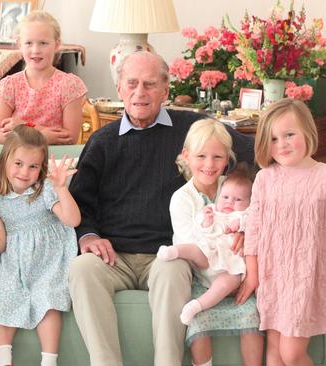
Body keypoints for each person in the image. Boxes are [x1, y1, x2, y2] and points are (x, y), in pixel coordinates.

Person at [67, 51, 257, 366]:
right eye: (132, 83)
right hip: (113, 255)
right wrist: (87, 235)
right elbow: (79, 202)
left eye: (150, 84)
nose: (139, 92)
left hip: (166, 253)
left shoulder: (192, 127)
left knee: (172, 271)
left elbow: (256, 153)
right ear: (119, 89)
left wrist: (251, 224)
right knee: (81, 269)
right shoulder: (102, 142)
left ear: (165, 90)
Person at [242, 98, 326, 365]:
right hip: (273, 277)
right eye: (272, 139)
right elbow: (254, 230)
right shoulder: (265, 179)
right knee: (273, 354)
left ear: (307, 131)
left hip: (308, 279)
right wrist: (253, 273)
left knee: (292, 354)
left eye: (289, 134)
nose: (281, 144)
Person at [0, 125, 79, 366]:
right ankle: (4, 359)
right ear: (5, 162)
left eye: (33, 166)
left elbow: (72, 220)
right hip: (13, 259)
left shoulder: (44, 190)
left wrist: (61, 188)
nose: (25, 172)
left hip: (48, 258)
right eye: (18, 163)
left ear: (41, 168)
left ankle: (49, 361)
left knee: (48, 298)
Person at [168, 120, 263, 366]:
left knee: (251, 315)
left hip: (236, 271)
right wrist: (215, 228)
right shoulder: (182, 199)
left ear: (226, 159)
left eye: (217, 157)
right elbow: (192, 247)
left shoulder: (232, 187)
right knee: (197, 323)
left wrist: (244, 232)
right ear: (186, 157)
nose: (209, 165)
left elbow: (254, 214)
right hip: (203, 276)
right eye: (201, 156)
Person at [163, 160, 253, 324]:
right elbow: (200, 232)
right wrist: (207, 222)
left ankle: (196, 306)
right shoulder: (212, 210)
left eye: (238, 199)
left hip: (230, 266)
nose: (230, 202)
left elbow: (256, 225)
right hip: (208, 255)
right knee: (195, 249)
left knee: (227, 283)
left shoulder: (245, 215)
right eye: (225, 197)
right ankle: (173, 251)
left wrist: (241, 226)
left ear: (248, 203)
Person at [0, 10, 87, 145]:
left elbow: (69, 138)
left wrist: (24, 127)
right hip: (18, 163)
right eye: (29, 43)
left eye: (43, 43)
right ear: (19, 45)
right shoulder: (9, 85)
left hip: (55, 162)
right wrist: (43, 136)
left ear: (57, 44)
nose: (35, 50)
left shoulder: (69, 85)